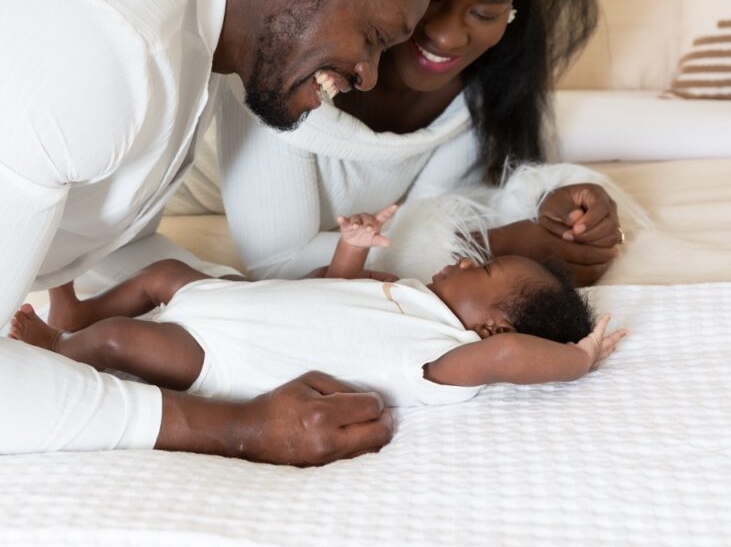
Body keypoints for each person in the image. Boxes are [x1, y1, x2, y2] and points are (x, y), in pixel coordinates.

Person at [0, 0, 437, 463]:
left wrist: (253, 312)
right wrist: (237, 428)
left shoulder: (191, 26)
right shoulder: (114, 49)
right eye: (372, 35)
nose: (368, 76)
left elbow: (106, 242)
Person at [216, 0, 623, 285]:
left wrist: (560, 203)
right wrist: (499, 243)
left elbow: (430, 214)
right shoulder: (281, 66)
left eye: (485, 13)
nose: (448, 38)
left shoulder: (470, 100)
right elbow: (276, 264)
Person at [9, 205, 625, 411]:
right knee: (163, 275)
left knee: (122, 340)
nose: (465, 261)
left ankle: (65, 348)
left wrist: (578, 358)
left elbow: (511, 355)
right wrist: (351, 247)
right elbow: (334, 292)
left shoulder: (444, 359)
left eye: (481, 272)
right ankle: (79, 315)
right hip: (234, 301)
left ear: (490, 328)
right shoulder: (409, 292)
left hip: (229, 355)